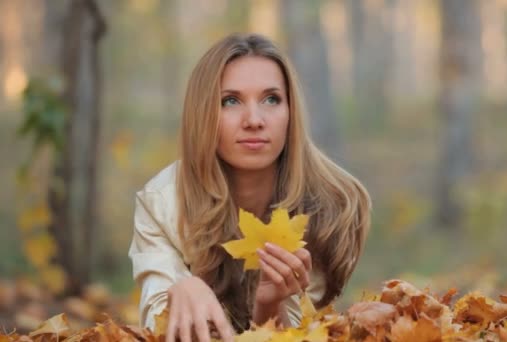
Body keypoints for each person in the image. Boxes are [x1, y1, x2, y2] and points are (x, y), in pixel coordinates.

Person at [128, 33, 371, 342]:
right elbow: (157, 326)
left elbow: (306, 334)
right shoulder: (161, 203)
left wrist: (269, 305)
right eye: (230, 101)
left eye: (271, 99)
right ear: (202, 115)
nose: (254, 120)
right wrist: (182, 288)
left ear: (291, 111)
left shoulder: (335, 204)